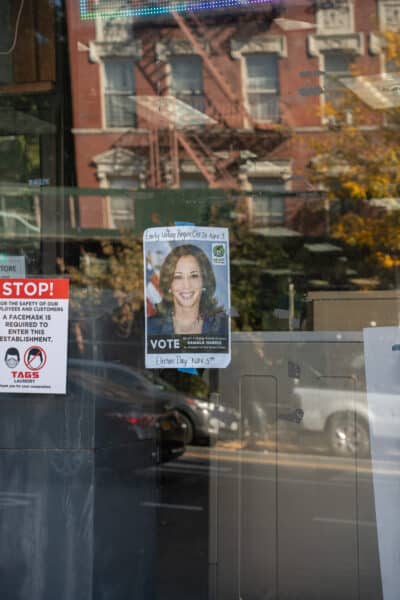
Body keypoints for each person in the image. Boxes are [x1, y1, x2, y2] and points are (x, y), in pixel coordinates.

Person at [147, 244, 228, 336]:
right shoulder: (150, 328)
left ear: (204, 281)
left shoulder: (222, 327)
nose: (187, 285)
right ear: (169, 284)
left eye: (194, 276)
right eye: (178, 277)